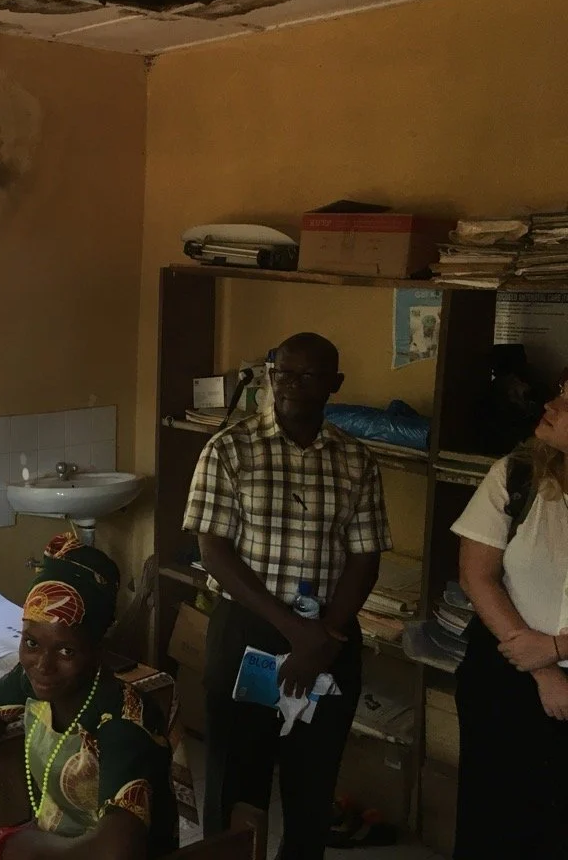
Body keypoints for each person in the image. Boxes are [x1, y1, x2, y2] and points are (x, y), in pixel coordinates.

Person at [182, 332, 389, 860]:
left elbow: (365, 556)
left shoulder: (356, 460)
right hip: (248, 630)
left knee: (311, 782)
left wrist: (325, 638)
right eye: (282, 374)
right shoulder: (230, 448)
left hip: (329, 635)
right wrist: (297, 631)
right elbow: (214, 550)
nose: (291, 385)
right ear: (270, 378)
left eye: (308, 376)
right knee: (236, 780)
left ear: (334, 385)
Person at [0, 534, 178, 860]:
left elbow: (117, 851)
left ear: (98, 650)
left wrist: (28, 847)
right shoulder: (39, 680)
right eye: (31, 643)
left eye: (66, 650)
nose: (43, 665)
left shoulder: (124, 720)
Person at [453, 367, 568, 859]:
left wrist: (559, 648)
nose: (552, 405)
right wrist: (543, 666)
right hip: (505, 675)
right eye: (561, 391)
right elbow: (477, 575)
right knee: (494, 821)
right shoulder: (517, 474)